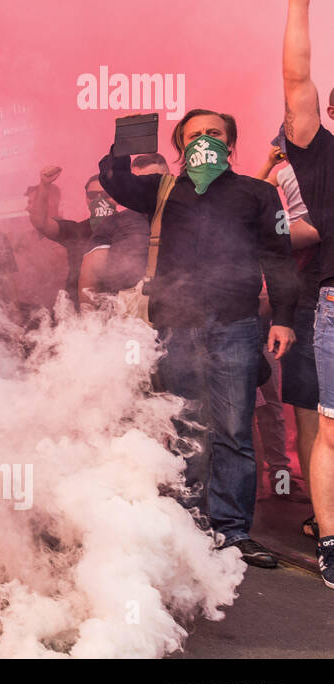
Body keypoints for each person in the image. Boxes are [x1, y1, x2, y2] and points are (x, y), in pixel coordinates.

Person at [99, 110, 296, 568]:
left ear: (231, 144)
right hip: (179, 325)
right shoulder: (163, 190)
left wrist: (283, 318)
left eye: (214, 134)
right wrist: (128, 140)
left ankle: (231, 533)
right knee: (189, 425)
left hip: (237, 326)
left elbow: (279, 257)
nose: (204, 141)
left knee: (233, 431)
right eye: (194, 135)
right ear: (179, 146)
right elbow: (114, 179)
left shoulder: (258, 193)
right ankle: (190, 529)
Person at [278, 0, 334, 586]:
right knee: (331, 431)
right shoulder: (321, 157)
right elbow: (299, 81)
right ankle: (330, 540)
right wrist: (299, 3)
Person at [257, 142, 319, 518]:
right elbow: (252, 200)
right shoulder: (286, 172)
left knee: (284, 406)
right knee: (281, 405)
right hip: (298, 293)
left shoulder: (302, 167)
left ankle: (290, 488)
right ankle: (306, 503)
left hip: (298, 292)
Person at [78, 153, 171, 302]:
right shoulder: (113, 222)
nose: (150, 187)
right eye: (142, 182)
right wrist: (88, 316)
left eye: (156, 180)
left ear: (170, 178)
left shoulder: (189, 215)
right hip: (126, 315)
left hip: (177, 309)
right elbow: (91, 275)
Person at [25, 167, 114, 305]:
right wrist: (44, 185)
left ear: (116, 196)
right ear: (86, 199)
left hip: (118, 311)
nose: (99, 199)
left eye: (105, 194)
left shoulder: (131, 225)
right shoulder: (76, 230)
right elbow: (40, 222)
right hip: (78, 313)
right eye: (92, 195)